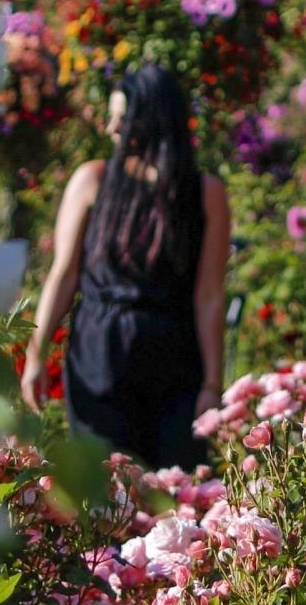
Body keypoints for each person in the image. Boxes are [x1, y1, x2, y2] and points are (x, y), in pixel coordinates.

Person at [20, 64, 230, 471]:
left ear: (152, 119)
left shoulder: (205, 194)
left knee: (178, 489)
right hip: (100, 355)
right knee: (107, 491)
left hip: (174, 360)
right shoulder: (93, 180)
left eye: (123, 117)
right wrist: (36, 354)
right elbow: (64, 273)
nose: (111, 128)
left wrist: (211, 385)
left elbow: (208, 295)